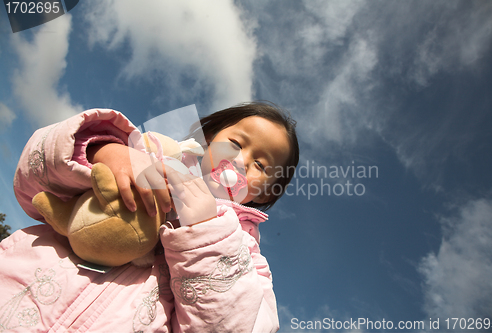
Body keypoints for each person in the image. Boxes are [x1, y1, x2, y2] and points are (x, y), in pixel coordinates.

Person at [0, 102, 299, 332]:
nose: (241, 160)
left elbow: (239, 325)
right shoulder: (145, 155)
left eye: (260, 164)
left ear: (265, 193)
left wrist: (210, 235)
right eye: (235, 143)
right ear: (206, 139)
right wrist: (103, 151)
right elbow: (30, 182)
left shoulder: (247, 259)